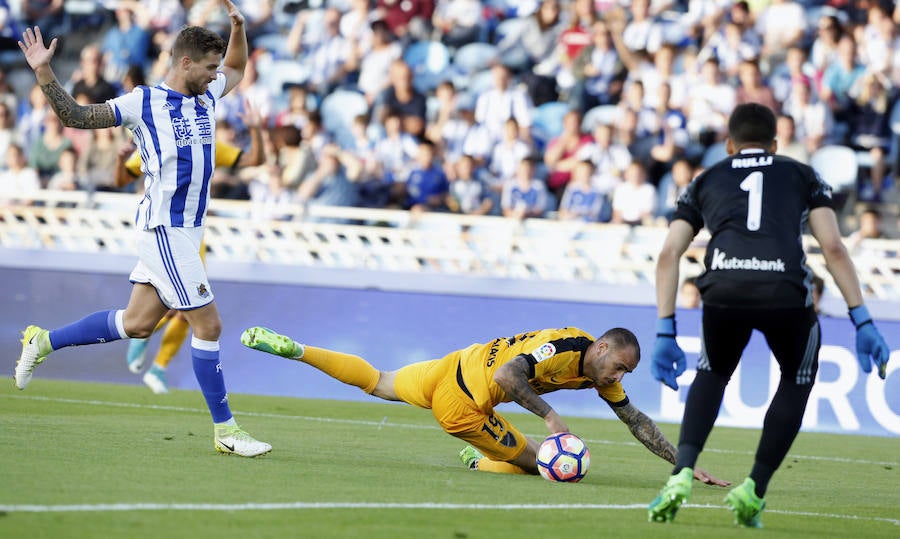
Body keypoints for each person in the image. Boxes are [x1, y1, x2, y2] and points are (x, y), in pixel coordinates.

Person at [14, 1, 272, 457]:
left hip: (188, 231)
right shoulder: (143, 102)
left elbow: (236, 67)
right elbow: (77, 117)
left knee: (136, 324)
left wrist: (238, 28)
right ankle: (226, 431)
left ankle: (42, 341)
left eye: (216, 69)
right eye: (208, 68)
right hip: (165, 229)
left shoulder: (207, 94)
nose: (216, 75)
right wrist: (44, 72)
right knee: (209, 324)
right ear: (185, 62)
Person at [647, 103, 890, 527]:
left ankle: (681, 472)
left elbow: (669, 253)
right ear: (775, 145)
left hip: (723, 288)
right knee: (797, 377)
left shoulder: (706, 179)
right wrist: (862, 320)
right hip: (784, 290)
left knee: (712, 373)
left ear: (729, 144)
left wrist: (665, 329)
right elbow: (833, 247)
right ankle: (753, 490)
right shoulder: (803, 174)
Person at [239, 325, 728, 484]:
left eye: (625, 374)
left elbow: (635, 420)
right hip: (463, 403)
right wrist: (552, 417)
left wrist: (684, 464)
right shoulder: (564, 350)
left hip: (453, 364)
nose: (618, 379)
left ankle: (298, 350)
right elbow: (507, 376)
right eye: (618, 367)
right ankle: (478, 458)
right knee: (545, 463)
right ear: (601, 348)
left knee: (380, 381)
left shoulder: (597, 372)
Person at [116, 101, 264, 393]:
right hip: (163, 231)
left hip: (195, 236)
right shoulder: (161, 140)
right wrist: (120, 160)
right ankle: (145, 339)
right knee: (184, 307)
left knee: (188, 309)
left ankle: (154, 358)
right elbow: (121, 179)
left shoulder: (210, 145)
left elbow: (254, 160)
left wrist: (256, 130)